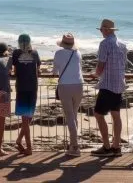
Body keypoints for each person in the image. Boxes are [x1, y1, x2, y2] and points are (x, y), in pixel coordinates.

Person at [91, 18, 127, 156]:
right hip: (119, 84)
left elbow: (101, 64)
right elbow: (123, 64)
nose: (101, 31)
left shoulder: (105, 43)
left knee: (98, 114)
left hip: (107, 84)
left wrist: (95, 74)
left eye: (101, 29)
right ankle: (116, 147)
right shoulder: (122, 45)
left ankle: (106, 147)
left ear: (106, 30)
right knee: (116, 115)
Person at [8, 33, 41, 156]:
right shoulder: (35, 52)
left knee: (26, 118)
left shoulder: (16, 53)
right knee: (28, 117)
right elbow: (38, 68)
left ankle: (24, 143)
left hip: (22, 87)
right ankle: (25, 144)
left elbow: (14, 70)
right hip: (33, 87)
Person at [52, 32, 84, 156]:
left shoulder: (58, 53)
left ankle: (75, 147)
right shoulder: (78, 53)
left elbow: (55, 72)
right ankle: (73, 144)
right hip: (79, 85)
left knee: (70, 116)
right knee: (74, 115)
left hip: (65, 85)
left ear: (63, 43)